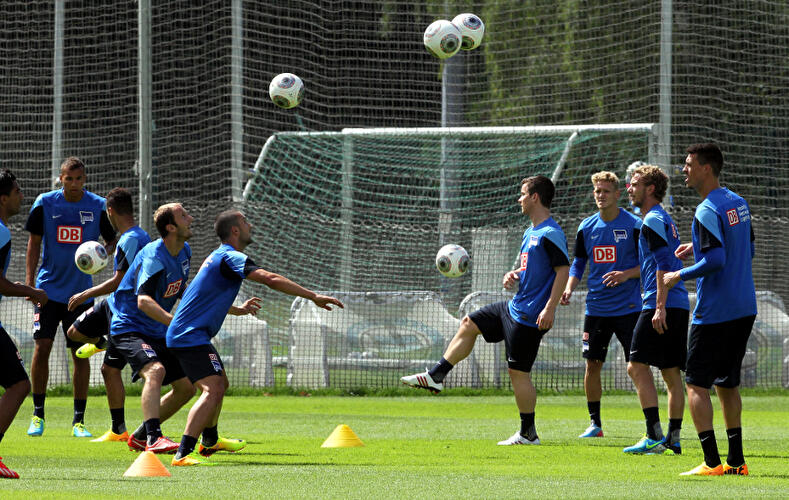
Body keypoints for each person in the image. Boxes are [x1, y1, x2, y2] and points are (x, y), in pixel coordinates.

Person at [401, 175, 569, 446]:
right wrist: (514, 275)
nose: (520, 198)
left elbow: (563, 270)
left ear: (535, 197)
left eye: (523, 194)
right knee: (469, 322)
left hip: (530, 316)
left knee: (518, 373)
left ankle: (528, 433)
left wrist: (550, 309)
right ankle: (436, 376)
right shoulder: (530, 232)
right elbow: (534, 270)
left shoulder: (551, 233)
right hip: (514, 307)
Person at [166, 210, 344, 465]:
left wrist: (237, 309)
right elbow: (269, 279)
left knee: (221, 384)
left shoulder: (219, 257)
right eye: (246, 222)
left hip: (192, 334)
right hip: (188, 335)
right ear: (235, 230)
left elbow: (204, 296)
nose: (251, 226)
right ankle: (183, 453)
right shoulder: (230, 256)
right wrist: (313, 296)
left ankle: (210, 440)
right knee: (212, 388)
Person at [663, 143, 756, 477]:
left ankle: (712, 462)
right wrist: (697, 249)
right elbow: (748, 248)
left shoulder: (705, 209)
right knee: (727, 385)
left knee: (696, 386)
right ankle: (736, 461)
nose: (684, 169)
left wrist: (678, 274)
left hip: (715, 312)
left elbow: (715, 260)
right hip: (745, 307)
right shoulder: (738, 203)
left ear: (706, 168)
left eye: (688, 164)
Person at [25, 157, 117, 437]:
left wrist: (102, 253)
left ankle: (79, 421)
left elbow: (112, 240)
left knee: (79, 354)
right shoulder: (45, 203)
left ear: (85, 179)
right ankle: (38, 415)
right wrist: (30, 284)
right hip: (49, 290)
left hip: (81, 293)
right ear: (60, 179)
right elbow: (34, 243)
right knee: (42, 348)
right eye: (69, 179)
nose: (74, 184)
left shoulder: (97, 205)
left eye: (79, 179)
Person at [109, 203, 199, 453]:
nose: (191, 218)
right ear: (171, 227)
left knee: (186, 388)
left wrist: (227, 307)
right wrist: (176, 323)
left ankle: (139, 436)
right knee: (155, 371)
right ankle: (154, 437)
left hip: (156, 329)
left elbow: (183, 291)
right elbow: (143, 301)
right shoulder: (153, 256)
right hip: (129, 327)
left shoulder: (184, 251)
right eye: (184, 215)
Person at [66, 187, 151, 442]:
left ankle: (119, 430)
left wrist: (84, 293)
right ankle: (101, 343)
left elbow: (118, 280)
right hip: (113, 303)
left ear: (110, 211)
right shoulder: (134, 236)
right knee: (74, 333)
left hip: (124, 309)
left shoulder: (133, 239)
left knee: (109, 370)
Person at [560, 171, 642, 438]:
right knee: (592, 364)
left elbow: (650, 264)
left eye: (606, 191)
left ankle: (650, 425)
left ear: (618, 194)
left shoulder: (635, 225)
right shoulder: (586, 227)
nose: (601, 196)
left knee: (638, 366)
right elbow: (579, 263)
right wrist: (569, 288)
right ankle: (595, 424)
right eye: (597, 191)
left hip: (629, 308)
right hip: (596, 308)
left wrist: (625, 274)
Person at [623, 165, 689, 455]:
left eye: (635, 183)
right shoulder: (663, 218)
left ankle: (653, 436)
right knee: (671, 374)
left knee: (636, 366)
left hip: (659, 302)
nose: (629, 188)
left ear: (650, 189)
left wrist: (659, 306)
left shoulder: (651, 219)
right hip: (679, 302)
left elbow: (663, 263)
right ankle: (673, 439)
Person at [0, 170, 49, 478]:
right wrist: (30, 291)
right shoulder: (2, 232)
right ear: (3, 198)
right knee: (19, 385)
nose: (21, 196)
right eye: (17, 192)